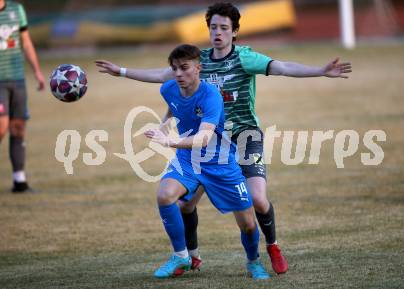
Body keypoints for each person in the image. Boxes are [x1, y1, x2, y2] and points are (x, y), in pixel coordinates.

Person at [95, 2, 352, 275]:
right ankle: (190, 256)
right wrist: (121, 71)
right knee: (184, 204)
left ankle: (273, 246)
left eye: (224, 28)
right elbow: (162, 76)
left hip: (244, 137)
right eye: (213, 27)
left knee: (258, 200)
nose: (217, 32)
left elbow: (283, 67)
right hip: (210, 145)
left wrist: (320, 71)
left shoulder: (244, 58)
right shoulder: (198, 61)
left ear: (235, 31)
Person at [144, 44, 269, 279]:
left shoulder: (212, 96)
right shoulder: (169, 89)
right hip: (188, 159)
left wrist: (168, 140)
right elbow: (174, 107)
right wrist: (162, 124)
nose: (178, 74)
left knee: (248, 223)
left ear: (198, 68)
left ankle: (253, 262)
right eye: (174, 69)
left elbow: (203, 139)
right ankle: (181, 256)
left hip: (220, 162)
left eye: (184, 68)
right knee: (165, 195)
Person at [0, 0, 45, 193]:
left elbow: (25, 42)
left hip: (17, 79)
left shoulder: (16, 9)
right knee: (1, 127)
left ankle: (19, 180)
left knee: (18, 128)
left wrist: (37, 71)